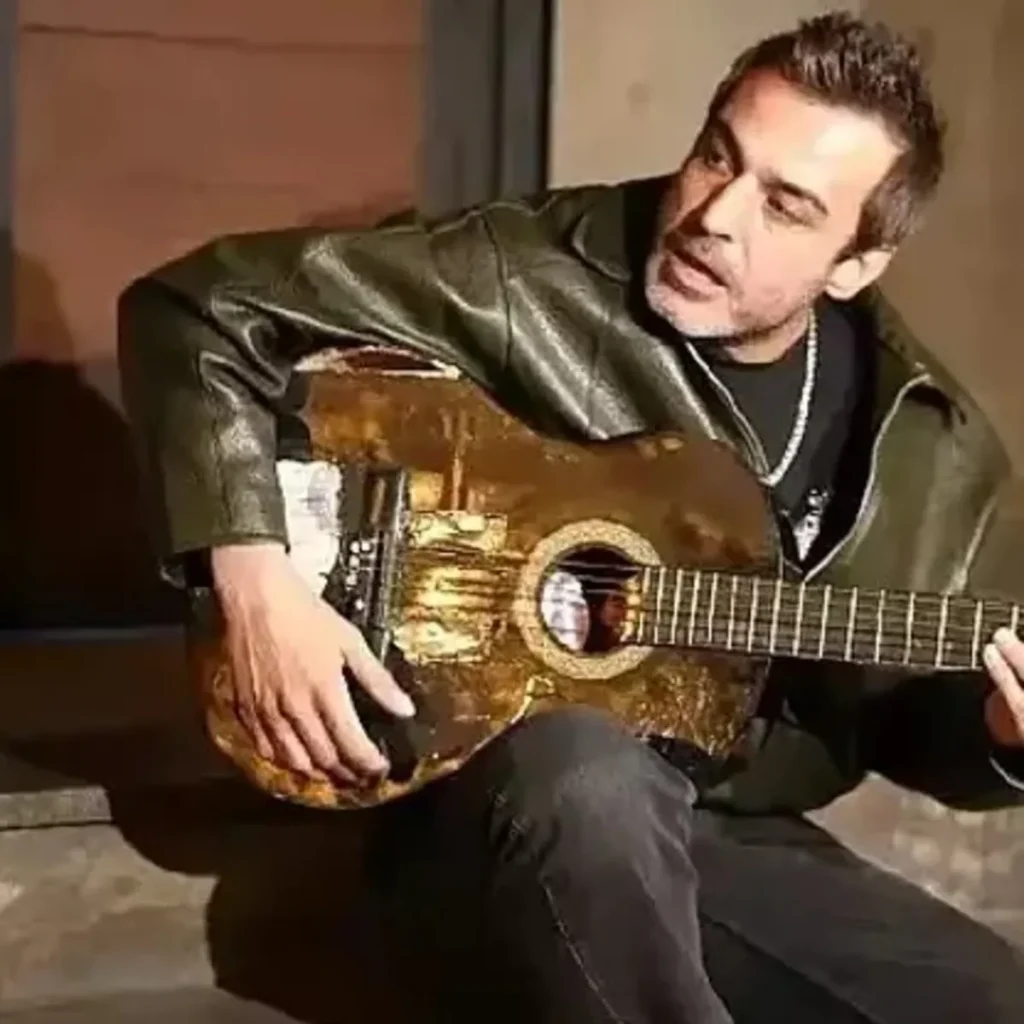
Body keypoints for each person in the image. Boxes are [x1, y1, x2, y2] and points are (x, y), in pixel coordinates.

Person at [117, 12, 1024, 1023]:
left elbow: (913, 726)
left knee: (985, 1001)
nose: (716, 215)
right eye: (717, 155)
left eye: (785, 205)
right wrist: (253, 578)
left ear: (855, 263)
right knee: (587, 774)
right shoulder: (527, 275)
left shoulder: (927, 444)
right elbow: (196, 311)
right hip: (486, 810)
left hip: (717, 835)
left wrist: (999, 729)